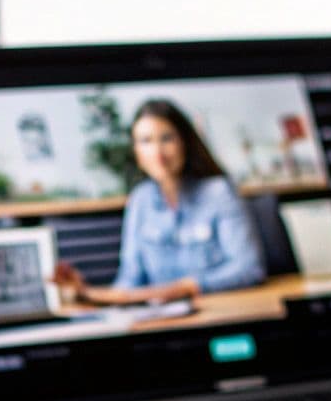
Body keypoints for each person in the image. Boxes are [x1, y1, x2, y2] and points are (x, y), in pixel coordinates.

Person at [52, 99, 266, 305]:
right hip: (165, 325)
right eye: (146, 141)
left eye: (166, 139)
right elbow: (129, 283)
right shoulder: (140, 201)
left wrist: (184, 288)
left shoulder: (218, 192)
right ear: (136, 152)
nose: (157, 153)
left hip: (220, 314)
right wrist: (84, 292)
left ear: (185, 142)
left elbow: (248, 268)